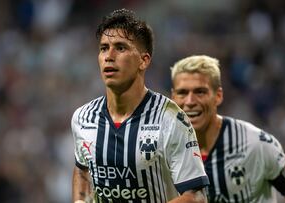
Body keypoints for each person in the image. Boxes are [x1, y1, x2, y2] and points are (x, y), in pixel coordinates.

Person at [71, 9, 209, 203]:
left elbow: (196, 196)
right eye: (103, 48)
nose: (109, 56)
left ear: (143, 61)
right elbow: (82, 169)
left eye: (120, 48)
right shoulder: (83, 118)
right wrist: (80, 200)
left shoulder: (170, 118)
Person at [170, 55, 285, 203]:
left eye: (200, 92)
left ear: (218, 96)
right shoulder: (162, 151)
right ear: (173, 98)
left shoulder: (256, 144)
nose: (190, 101)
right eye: (182, 93)